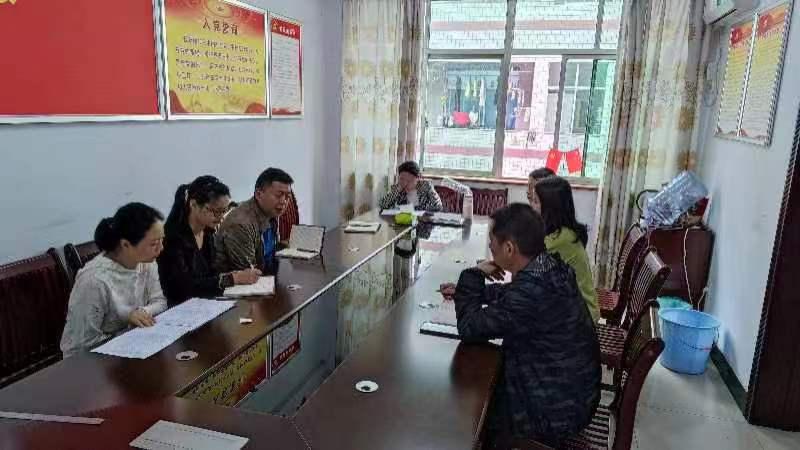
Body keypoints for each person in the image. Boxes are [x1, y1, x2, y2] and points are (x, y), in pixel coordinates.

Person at [446, 204, 600, 447]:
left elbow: (469, 327)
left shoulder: (529, 293)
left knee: (470, 406)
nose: (490, 248)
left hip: (556, 411)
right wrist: (475, 292)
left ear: (509, 248)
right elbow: (515, 294)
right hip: (576, 393)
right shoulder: (551, 266)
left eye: (492, 243)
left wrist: (473, 275)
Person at [60, 203, 168, 357]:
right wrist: (128, 318)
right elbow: (82, 344)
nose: (161, 248)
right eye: (154, 243)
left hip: (135, 346)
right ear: (125, 244)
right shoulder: (94, 280)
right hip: (94, 360)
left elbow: (160, 301)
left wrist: (142, 312)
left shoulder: (146, 262)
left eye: (162, 240)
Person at [159, 176, 261, 306]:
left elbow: (210, 274)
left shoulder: (208, 232)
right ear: (193, 204)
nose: (220, 217)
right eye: (215, 211)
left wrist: (233, 275)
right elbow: (182, 288)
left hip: (206, 303)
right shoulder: (172, 238)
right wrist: (231, 279)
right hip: (179, 308)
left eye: (224, 211)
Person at [529, 176, 599, 322]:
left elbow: (526, 263)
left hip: (581, 316)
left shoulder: (560, 239)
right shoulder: (562, 231)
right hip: (573, 307)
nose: (531, 207)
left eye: (535, 201)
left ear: (550, 207)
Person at [214, 167, 293, 274]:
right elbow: (249, 274)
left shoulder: (271, 213)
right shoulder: (241, 225)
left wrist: (284, 246)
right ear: (259, 194)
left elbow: (268, 253)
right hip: (242, 282)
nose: (284, 201)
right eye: (278, 195)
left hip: (266, 274)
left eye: (287, 196)